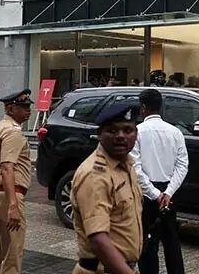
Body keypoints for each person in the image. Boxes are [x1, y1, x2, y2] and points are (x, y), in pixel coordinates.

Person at [70, 103, 143, 274]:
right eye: (112, 131)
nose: (120, 136)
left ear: (136, 134)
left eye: (127, 130)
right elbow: (98, 240)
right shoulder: (95, 175)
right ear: (99, 134)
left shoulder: (126, 166)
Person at [131, 89, 188, 274]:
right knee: (171, 239)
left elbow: (135, 168)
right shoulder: (175, 132)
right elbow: (182, 165)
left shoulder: (137, 132)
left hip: (147, 193)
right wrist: (169, 192)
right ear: (160, 107)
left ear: (143, 108)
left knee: (147, 240)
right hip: (169, 193)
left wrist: (155, 194)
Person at [0, 89, 34, 274]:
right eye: (24, 107)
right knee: (12, 257)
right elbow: (6, 167)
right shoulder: (13, 132)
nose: (28, 110)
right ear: (11, 109)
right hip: (6, 197)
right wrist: (13, 205)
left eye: (29, 106)